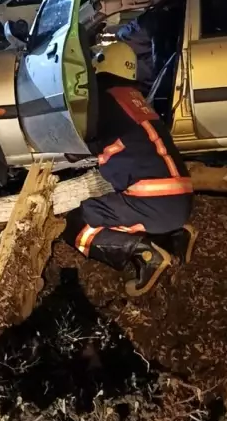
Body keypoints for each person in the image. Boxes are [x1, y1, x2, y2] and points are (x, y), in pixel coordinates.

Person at [63, 41, 196, 297]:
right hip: (182, 201)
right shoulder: (135, 100)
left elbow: (76, 146)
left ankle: (146, 254)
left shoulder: (103, 100)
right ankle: (175, 235)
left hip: (156, 203)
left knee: (78, 223)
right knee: (129, 208)